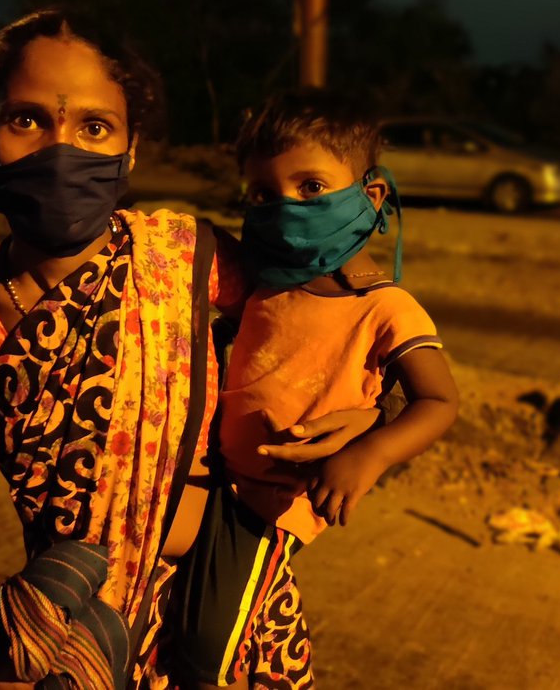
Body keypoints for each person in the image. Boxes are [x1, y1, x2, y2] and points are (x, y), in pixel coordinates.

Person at [0, 9, 376, 690]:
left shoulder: (191, 259)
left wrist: (381, 414)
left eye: (94, 126)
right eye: (27, 119)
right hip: (73, 640)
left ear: (131, 150)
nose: (61, 149)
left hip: (234, 622)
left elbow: (337, 326)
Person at [173, 90, 460, 689]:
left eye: (311, 188)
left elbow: (438, 400)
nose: (286, 208)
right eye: (263, 194)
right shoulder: (261, 283)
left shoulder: (385, 307)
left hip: (274, 503)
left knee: (205, 649)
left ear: (371, 195)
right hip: (214, 474)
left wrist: (368, 453)